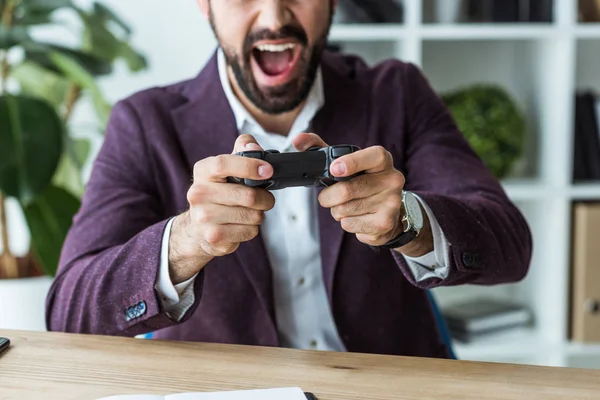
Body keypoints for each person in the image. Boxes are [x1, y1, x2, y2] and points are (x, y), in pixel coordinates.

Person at [46, 0, 532, 359]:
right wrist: (185, 243)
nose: (275, 16)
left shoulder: (396, 92)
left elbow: (511, 247)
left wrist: (410, 222)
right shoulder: (146, 122)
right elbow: (68, 314)